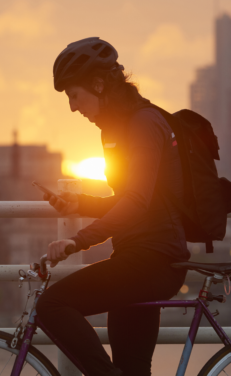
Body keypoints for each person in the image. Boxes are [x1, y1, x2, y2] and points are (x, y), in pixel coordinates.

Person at [35, 37, 190, 376]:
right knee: (132, 369)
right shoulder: (116, 130)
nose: (73, 107)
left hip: (154, 261)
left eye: (74, 95)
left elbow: (135, 202)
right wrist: (80, 202)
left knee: (52, 305)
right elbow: (134, 199)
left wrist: (78, 240)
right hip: (138, 258)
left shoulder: (144, 123)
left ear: (99, 84)